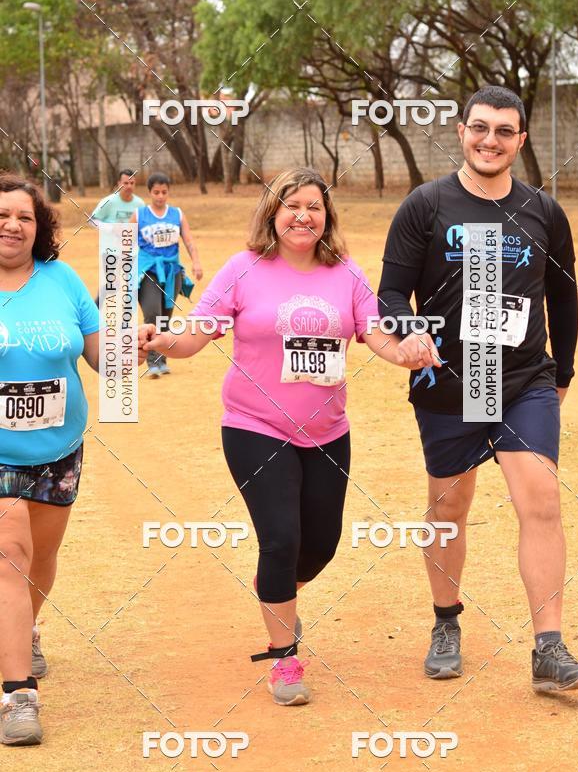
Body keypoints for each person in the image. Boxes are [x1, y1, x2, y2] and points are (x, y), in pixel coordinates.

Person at [138, 168, 401, 705]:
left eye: (314, 206)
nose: (303, 215)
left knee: (320, 545)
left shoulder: (345, 272)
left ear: (328, 217)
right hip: (255, 427)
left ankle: (275, 594)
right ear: (272, 213)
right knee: (280, 538)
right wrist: (164, 339)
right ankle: (284, 658)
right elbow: (199, 332)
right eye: (291, 205)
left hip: (328, 431)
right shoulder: (244, 269)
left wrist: (407, 352)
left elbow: (375, 331)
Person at [378, 85, 578, 692]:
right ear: (461, 131)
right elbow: (391, 294)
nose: (490, 140)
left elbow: (562, 301)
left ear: (520, 141)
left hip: (523, 380)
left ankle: (549, 649)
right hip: (450, 381)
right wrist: (410, 333)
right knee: (450, 508)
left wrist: (564, 374)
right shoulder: (425, 206)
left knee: (542, 502)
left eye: (504, 131)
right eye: (481, 127)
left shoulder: (543, 212)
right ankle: (446, 623)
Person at [0, 172, 100, 745]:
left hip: (59, 447)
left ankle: (26, 628)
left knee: (40, 558)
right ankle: (18, 696)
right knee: (10, 554)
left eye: (25, 216)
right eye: (3, 215)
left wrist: (128, 348)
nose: (14, 225)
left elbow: (99, 357)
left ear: (39, 227)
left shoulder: (61, 280)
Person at [132, 172, 203, 378]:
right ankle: (152, 361)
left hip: (172, 272)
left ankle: (162, 358)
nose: (160, 196)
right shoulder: (140, 214)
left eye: (164, 192)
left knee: (165, 317)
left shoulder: (177, 214)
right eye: (156, 192)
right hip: (148, 271)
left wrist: (196, 262)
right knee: (152, 314)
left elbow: (189, 240)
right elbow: (123, 241)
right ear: (149, 193)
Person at [89, 169, 145, 306]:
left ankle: (130, 321)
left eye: (132, 183)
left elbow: (143, 227)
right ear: (119, 183)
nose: (129, 186)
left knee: (133, 286)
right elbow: (91, 220)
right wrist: (112, 228)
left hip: (132, 252)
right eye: (125, 183)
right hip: (110, 251)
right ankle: (93, 314)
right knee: (111, 285)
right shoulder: (109, 201)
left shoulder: (140, 204)